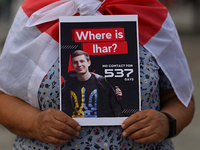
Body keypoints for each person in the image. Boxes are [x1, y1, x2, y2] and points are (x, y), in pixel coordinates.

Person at [0, 0, 195, 149]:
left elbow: (182, 100)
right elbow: (3, 98)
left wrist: (166, 123)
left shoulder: (149, 11)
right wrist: (35, 123)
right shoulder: (38, 12)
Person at [61, 50, 123, 118]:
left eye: (82, 61)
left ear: (89, 62)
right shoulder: (67, 85)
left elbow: (115, 107)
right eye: (75, 62)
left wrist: (119, 96)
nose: (79, 65)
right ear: (72, 65)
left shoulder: (102, 82)